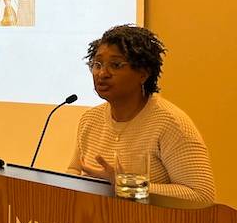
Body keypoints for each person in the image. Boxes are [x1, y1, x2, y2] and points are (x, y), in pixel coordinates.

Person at [67, 25, 215, 203]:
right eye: (97, 64)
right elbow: (74, 171)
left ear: (143, 74)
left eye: (115, 65)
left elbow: (201, 195)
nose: (102, 73)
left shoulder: (169, 123)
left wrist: (127, 185)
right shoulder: (90, 119)